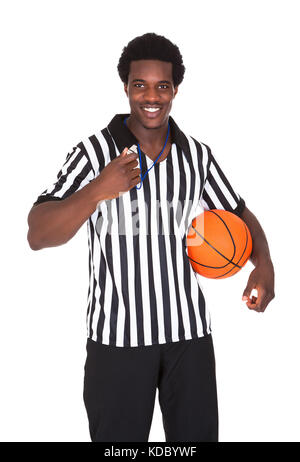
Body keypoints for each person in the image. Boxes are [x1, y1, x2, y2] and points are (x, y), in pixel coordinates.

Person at [27, 33, 275, 442]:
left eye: (162, 86)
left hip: (189, 337)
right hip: (118, 339)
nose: (151, 96)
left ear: (175, 89)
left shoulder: (196, 155)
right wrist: (96, 190)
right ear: (126, 87)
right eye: (140, 85)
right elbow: (37, 232)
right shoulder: (94, 153)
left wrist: (264, 265)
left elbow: (239, 214)